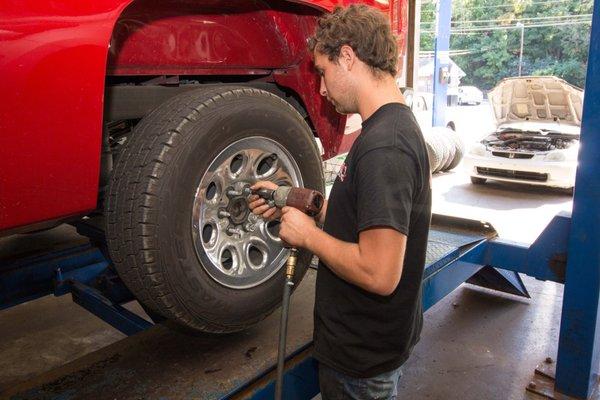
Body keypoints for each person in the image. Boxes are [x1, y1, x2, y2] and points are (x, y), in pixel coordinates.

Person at [249, 4, 431, 399]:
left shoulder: (387, 147)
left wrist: (308, 236)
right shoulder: (388, 128)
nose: (321, 88)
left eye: (323, 72)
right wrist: (299, 203)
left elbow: (380, 273)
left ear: (347, 57)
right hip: (368, 346)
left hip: (361, 364)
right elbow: (365, 218)